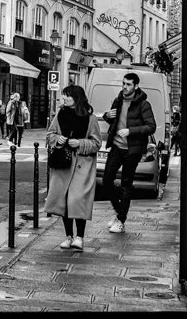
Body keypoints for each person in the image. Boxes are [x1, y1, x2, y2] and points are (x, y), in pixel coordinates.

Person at [45, 84, 104, 250]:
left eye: (67, 96)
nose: (64, 99)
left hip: (82, 165)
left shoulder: (90, 118)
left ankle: (80, 237)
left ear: (77, 98)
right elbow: (50, 134)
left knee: (78, 200)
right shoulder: (61, 113)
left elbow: (96, 143)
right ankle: (68, 236)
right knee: (64, 200)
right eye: (64, 96)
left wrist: (80, 143)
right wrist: (58, 139)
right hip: (63, 162)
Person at [101, 71, 158, 233]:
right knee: (106, 180)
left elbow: (151, 126)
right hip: (117, 147)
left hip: (132, 150)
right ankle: (119, 213)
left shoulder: (143, 104)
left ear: (136, 86)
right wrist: (107, 116)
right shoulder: (118, 100)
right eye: (123, 84)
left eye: (128, 84)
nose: (125, 87)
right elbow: (112, 120)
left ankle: (121, 220)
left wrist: (130, 131)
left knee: (126, 183)